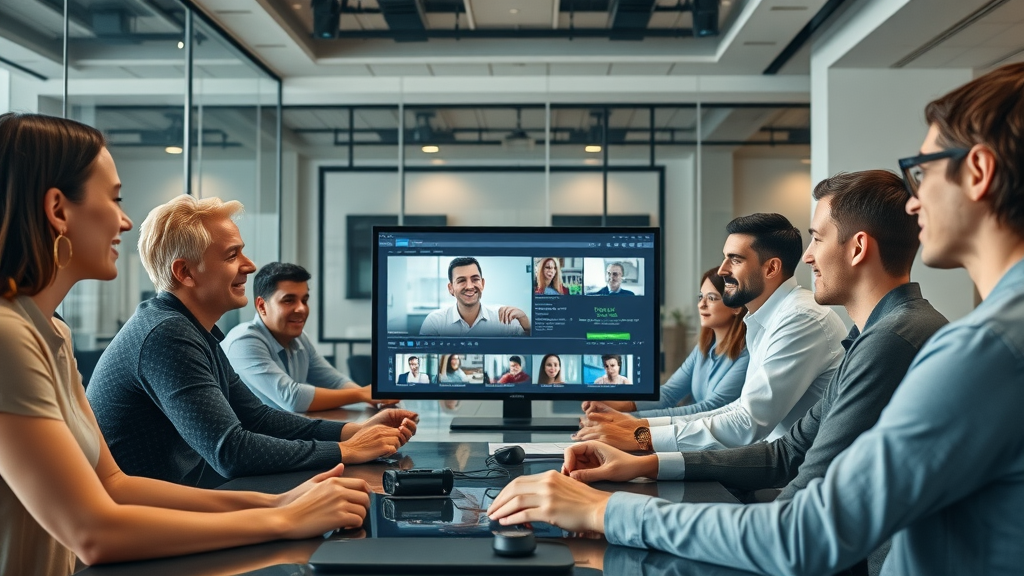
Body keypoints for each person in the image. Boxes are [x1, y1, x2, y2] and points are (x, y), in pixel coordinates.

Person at [489, 64, 1024, 574]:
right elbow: (787, 453)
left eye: (923, 172)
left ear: (978, 172)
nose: (913, 202)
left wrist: (603, 510)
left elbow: (802, 532)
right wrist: (641, 463)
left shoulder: (962, 345)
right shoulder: (893, 335)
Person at [0, 113, 372, 576]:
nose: (124, 219)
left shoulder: (51, 332)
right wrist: (282, 518)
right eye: (114, 199)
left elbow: (115, 485)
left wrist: (279, 502)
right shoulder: (10, 337)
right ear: (58, 209)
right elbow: (93, 532)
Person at [87, 195, 418, 488]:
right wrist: (346, 450)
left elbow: (257, 417)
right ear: (185, 272)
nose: (250, 265)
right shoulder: (166, 334)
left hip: (178, 499)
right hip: (145, 521)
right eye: (232, 255)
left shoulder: (189, 329)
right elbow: (231, 452)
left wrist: (352, 432)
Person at [577, 213, 847, 452]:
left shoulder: (800, 318)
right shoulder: (767, 320)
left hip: (795, 478)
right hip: (771, 464)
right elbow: (737, 409)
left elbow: (746, 423)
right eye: (724, 258)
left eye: (735, 260)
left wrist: (639, 435)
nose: (722, 270)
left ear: (771, 268)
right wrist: (637, 426)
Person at [222, 262, 399, 412]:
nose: (301, 308)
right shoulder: (243, 341)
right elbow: (293, 398)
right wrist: (362, 394)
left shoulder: (299, 338)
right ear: (261, 306)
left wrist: (372, 399)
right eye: (289, 300)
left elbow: (334, 381)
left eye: (304, 300)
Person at [582, 267, 748, 420]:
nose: (701, 304)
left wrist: (630, 418)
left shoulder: (747, 354)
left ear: (736, 307)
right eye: (700, 297)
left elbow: (710, 408)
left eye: (711, 298)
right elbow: (669, 394)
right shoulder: (703, 348)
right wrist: (622, 406)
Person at [419, 257, 530, 336]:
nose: (469, 286)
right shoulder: (435, 322)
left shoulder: (503, 317)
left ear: (483, 283)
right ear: (451, 288)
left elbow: (530, 347)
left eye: (475, 279)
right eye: (461, 280)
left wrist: (525, 322)